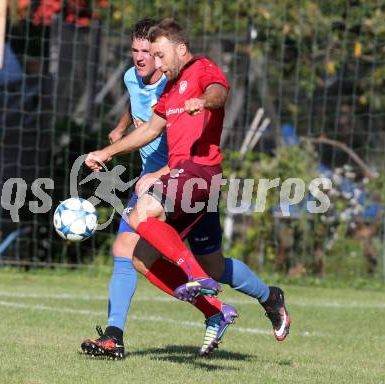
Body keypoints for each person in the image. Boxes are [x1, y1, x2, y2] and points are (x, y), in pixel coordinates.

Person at [83, 18, 290, 359]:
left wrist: (205, 102)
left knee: (142, 216)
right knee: (166, 260)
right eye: (147, 54)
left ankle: (190, 287)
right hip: (180, 178)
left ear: (179, 50)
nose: (155, 62)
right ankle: (262, 299)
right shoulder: (167, 87)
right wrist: (106, 152)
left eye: (159, 55)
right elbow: (150, 128)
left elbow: (219, 92)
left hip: (196, 174)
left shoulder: (201, 69)